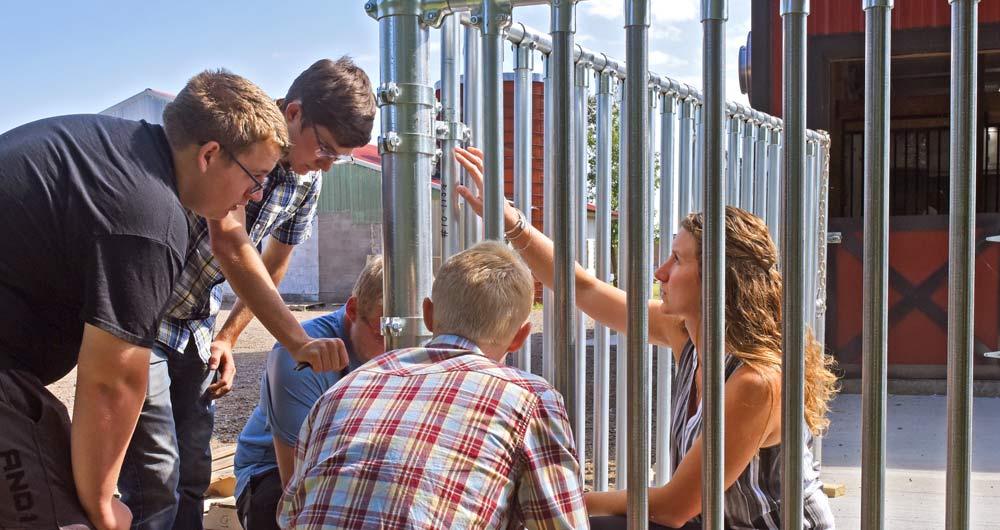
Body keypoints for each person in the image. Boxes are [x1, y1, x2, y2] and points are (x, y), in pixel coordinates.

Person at [454, 147, 839, 529]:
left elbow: (673, 507)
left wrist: (556, 500)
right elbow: (584, 289)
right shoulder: (686, 335)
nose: (660, 272)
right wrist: (513, 223)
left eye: (677, 259)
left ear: (720, 280)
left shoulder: (756, 381)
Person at [0, 70, 288, 530]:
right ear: (211, 155)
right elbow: (113, 378)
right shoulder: (147, 215)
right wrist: (100, 503)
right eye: (256, 178)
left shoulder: (119, 155)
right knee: (65, 521)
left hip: (14, 372)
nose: (253, 196)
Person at [117, 57, 377, 530]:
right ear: (293, 112)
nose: (326, 164)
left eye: (338, 158)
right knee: (154, 473)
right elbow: (231, 243)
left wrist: (229, 337)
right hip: (145, 316)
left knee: (193, 467)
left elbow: (273, 265)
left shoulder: (307, 181)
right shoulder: (243, 141)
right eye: (325, 149)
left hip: (194, 325)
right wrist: (297, 341)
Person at [279, 241, 589, 530]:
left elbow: (290, 514)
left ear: (428, 314)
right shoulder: (530, 398)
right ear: (521, 337)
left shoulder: (345, 388)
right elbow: (561, 523)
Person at [233, 255, 385, 530]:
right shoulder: (299, 357)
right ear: (352, 309)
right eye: (381, 333)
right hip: (273, 474)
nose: (394, 351)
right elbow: (294, 487)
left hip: (351, 463)